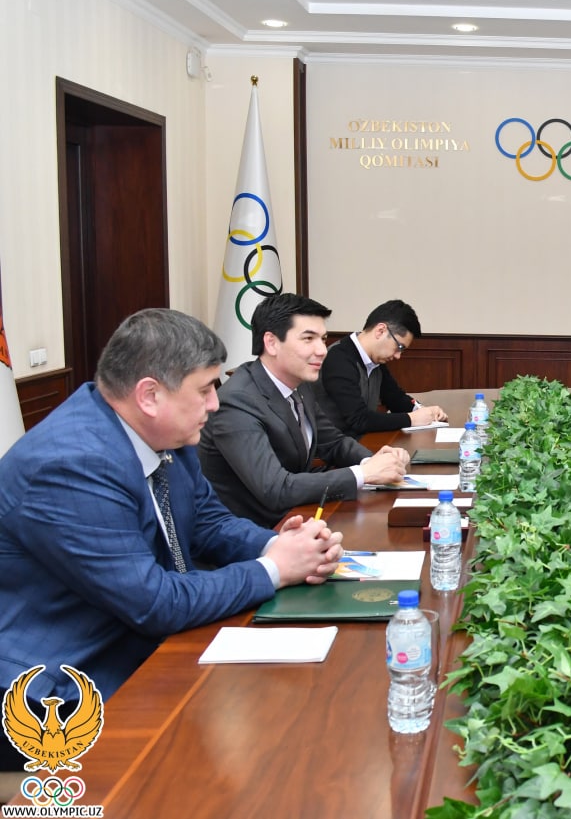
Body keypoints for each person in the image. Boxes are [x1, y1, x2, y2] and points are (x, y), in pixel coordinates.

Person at [0, 308, 343, 773]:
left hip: (139, 646)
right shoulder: (70, 465)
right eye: (204, 389)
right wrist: (275, 569)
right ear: (149, 395)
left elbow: (208, 522)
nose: (215, 403)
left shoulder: (162, 434)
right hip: (59, 690)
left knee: (287, 721)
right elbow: (155, 602)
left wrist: (278, 545)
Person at [199, 293, 408, 527]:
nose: (322, 350)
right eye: (308, 339)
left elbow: (333, 443)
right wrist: (364, 474)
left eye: (323, 339)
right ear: (271, 343)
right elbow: (275, 489)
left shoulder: (298, 384)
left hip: (299, 515)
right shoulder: (237, 402)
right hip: (256, 532)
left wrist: (374, 460)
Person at [314, 299, 447, 437]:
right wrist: (411, 419)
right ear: (380, 331)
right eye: (399, 347)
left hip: (359, 441)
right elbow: (358, 419)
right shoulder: (338, 359)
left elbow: (395, 398)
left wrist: (423, 411)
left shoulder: (375, 360)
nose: (398, 356)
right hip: (335, 446)